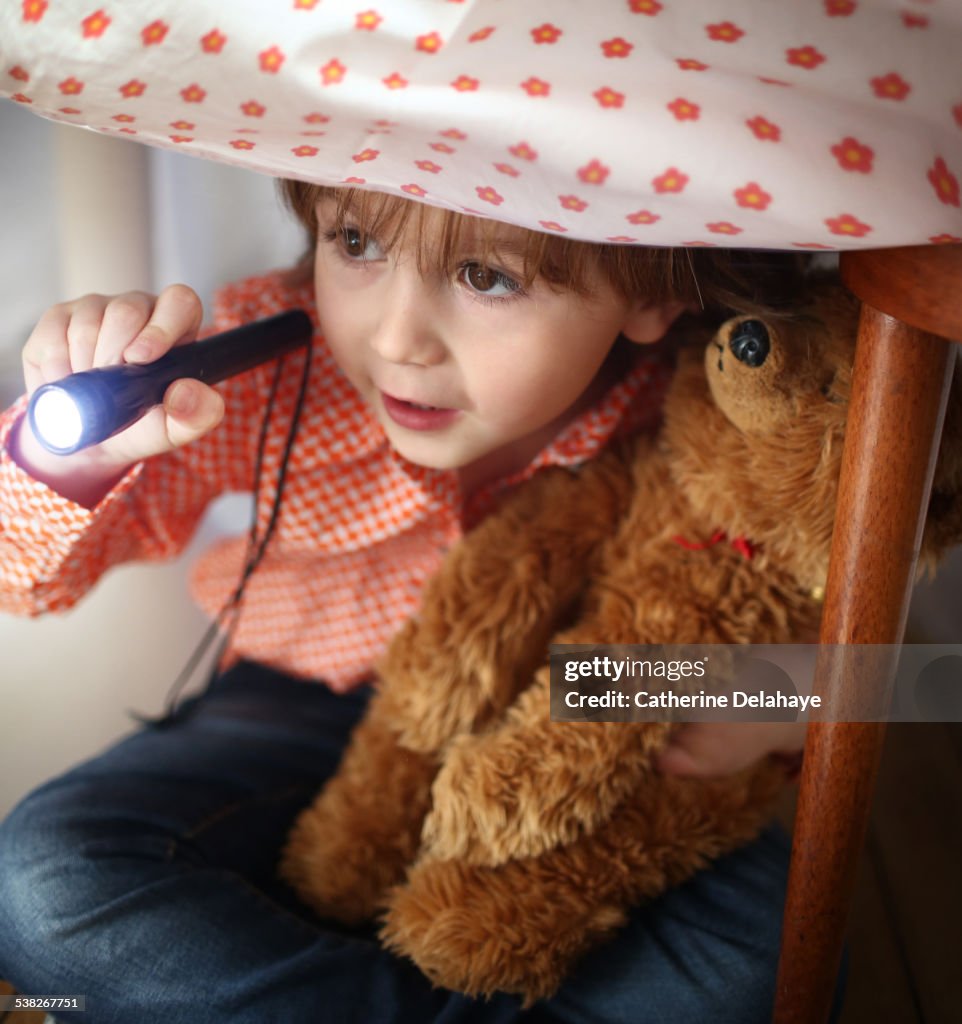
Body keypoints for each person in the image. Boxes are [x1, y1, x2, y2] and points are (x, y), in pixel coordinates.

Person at [0, 183, 831, 1023]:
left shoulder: (727, 406)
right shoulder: (268, 369)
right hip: (300, 704)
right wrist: (59, 455)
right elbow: (21, 580)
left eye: (488, 277)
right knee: (44, 889)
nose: (397, 338)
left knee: (756, 965)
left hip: (572, 746)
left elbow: (904, 678)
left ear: (652, 290)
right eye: (356, 242)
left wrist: (778, 702)